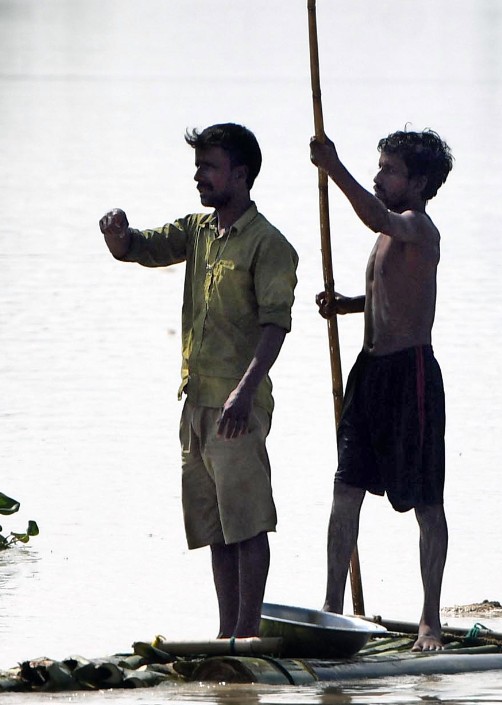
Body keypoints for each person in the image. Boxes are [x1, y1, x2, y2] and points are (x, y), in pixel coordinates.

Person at [100, 123, 299, 639]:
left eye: (209, 167)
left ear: (241, 173)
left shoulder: (269, 245)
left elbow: (276, 324)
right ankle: (225, 631)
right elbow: (141, 248)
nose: (199, 177)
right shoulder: (199, 231)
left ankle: (248, 632)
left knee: (247, 523)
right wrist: (118, 238)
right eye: (198, 167)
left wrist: (246, 390)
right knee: (215, 528)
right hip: (197, 401)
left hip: (239, 404)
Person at [309, 129, 453, 651]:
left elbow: (376, 216)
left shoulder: (415, 226)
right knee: (345, 489)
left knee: (425, 500)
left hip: (409, 375)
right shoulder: (389, 232)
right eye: (379, 167)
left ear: (418, 182)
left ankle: (429, 620)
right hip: (368, 372)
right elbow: (390, 296)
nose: (378, 176)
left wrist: (334, 168)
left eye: (389, 170)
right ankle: (331, 606)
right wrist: (348, 304)